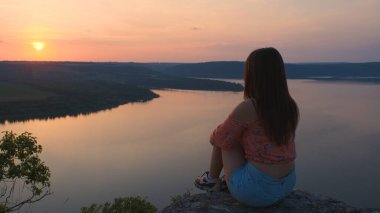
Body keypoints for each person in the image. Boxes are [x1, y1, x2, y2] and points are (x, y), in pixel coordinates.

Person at [194, 47, 299, 207]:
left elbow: (220, 139)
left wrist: (214, 136)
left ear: (253, 75)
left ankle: (211, 179)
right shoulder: (290, 106)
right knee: (240, 134)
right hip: (287, 183)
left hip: (255, 190)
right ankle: (215, 179)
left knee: (227, 136)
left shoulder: (250, 107)